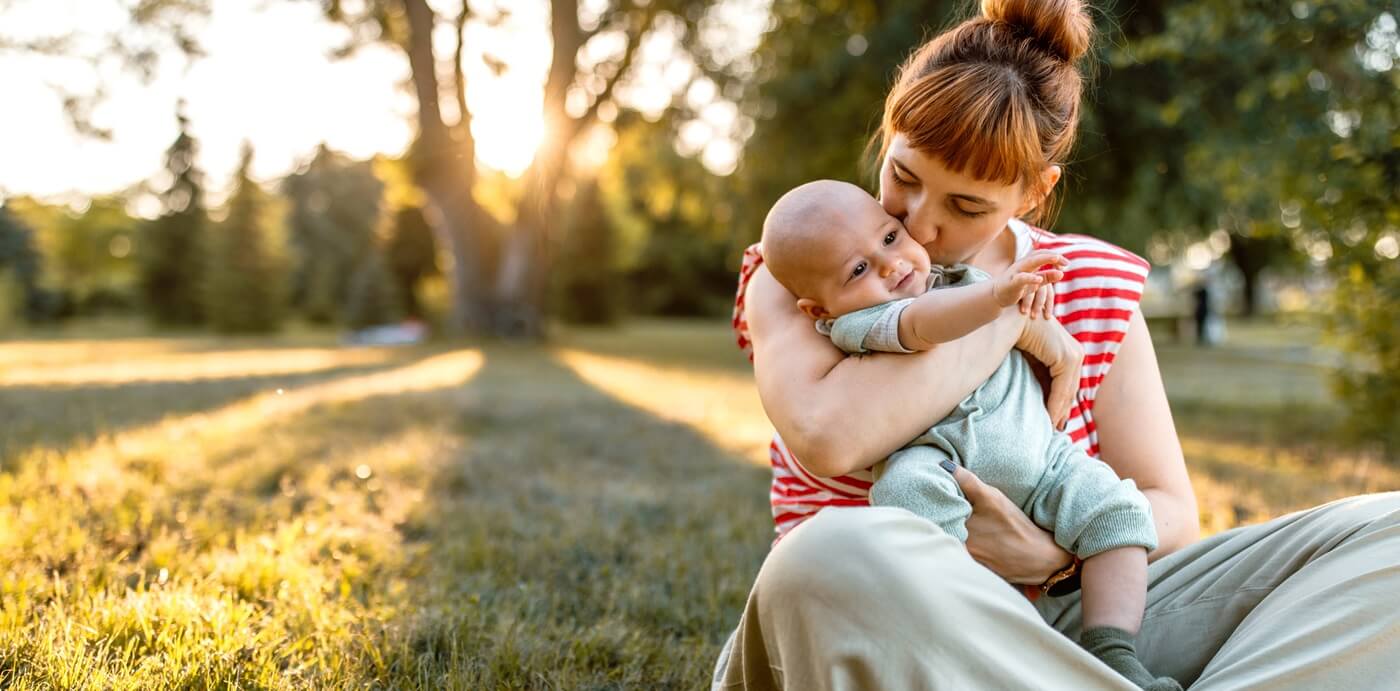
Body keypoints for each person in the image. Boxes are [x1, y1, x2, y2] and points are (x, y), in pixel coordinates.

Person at [713, 0, 1400, 688]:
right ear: (888, 133)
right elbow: (827, 436)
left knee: (1389, 537)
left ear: (1035, 194)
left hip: (1072, 618)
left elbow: (1170, 508)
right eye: (905, 176)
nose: (918, 227)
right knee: (829, 553)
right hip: (879, 620)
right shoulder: (802, 268)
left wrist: (1049, 558)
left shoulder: (1092, 281)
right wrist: (1006, 316)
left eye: (967, 206)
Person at [760, 179, 1177, 690]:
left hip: (1044, 462)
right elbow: (923, 324)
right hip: (940, 463)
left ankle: (1113, 651)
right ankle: (959, 635)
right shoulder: (859, 322)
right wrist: (1000, 303)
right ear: (819, 310)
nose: (891, 265)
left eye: (890, 239)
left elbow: (1178, 512)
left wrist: (1049, 559)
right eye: (859, 270)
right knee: (909, 506)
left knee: (1118, 510)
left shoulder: (958, 276)